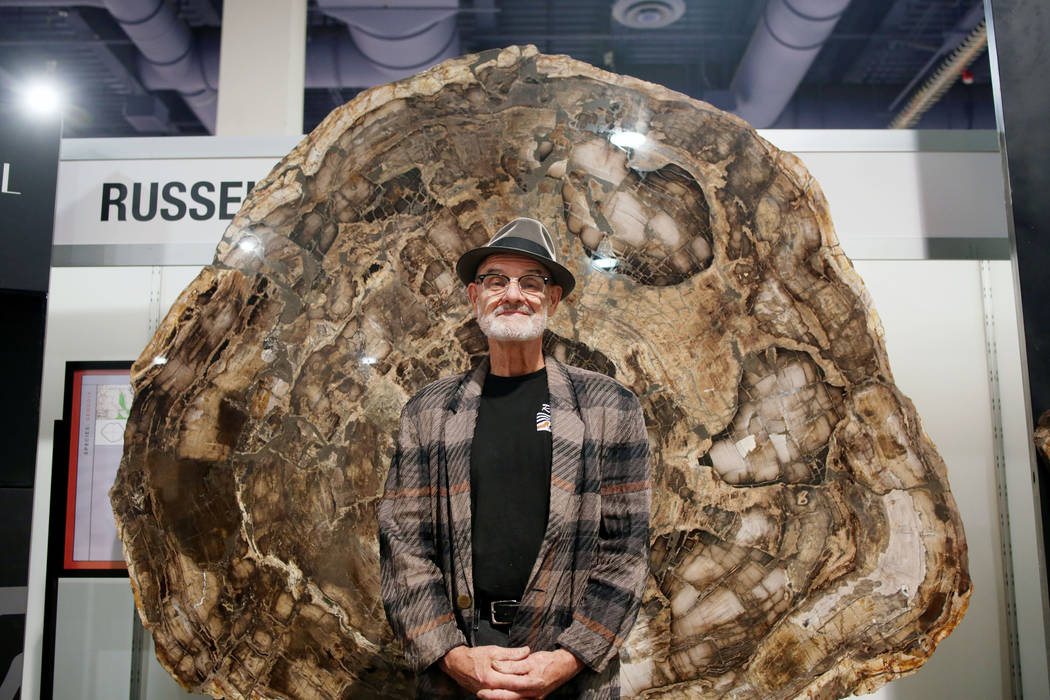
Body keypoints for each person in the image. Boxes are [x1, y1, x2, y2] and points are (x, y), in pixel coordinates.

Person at [378, 218, 651, 698]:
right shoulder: (429, 412)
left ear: (553, 299)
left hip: (569, 670)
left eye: (531, 282)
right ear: (473, 295)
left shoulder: (611, 408)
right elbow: (404, 546)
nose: (513, 294)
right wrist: (452, 655)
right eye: (496, 280)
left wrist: (568, 659)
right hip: (462, 663)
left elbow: (626, 551)